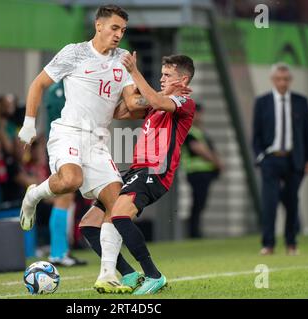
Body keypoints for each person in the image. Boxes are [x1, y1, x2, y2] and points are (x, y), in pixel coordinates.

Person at [17, 4, 140, 290]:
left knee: (118, 206)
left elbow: (133, 104)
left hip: (98, 143)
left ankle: (107, 274)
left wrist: (159, 98)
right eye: (114, 28)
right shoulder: (75, 52)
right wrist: (29, 123)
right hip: (68, 133)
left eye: (123, 30)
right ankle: (34, 195)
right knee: (72, 180)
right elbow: (38, 84)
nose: (119, 34)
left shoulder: (123, 60)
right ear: (99, 25)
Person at [93, 53, 196, 294]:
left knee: (119, 216)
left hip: (155, 171)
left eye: (167, 75)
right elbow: (120, 111)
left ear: (183, 80)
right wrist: (122, 86)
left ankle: (153, 275)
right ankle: (129, 274)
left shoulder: (183, 103)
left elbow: (159, 103)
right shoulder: (155, 101)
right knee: (90, 224)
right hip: (136, 169)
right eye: (161, 74)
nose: (161, 79)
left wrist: (134, 72)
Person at [252, 62, 308, 256]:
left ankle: (291, 243)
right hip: (271, 160)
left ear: (290, 80)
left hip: (294, 159)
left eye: (286, 79)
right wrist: (260, 157)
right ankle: (268, 244)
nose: (282, 82)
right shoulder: (262, 102)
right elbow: (256, 134)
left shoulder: (300, 101)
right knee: (269, 203)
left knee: (292, 202)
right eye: (279, 79)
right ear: (273, 80)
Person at [43, 80, 87, 266]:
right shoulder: (60, 91)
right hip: (64, 146)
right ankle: (57, 253)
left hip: (66, 145)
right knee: (63, 198)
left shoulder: (62, 88)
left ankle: (61, 251)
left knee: (67, 200)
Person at [181, 103, 223, 238]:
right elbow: (198, 148)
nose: (200, 117)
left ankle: (195, 232)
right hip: (196, 171)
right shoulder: (190, 130)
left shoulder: (197, 130)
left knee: (199, 203)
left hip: (201, 171)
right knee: (198, 204)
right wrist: (217, 162)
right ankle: (194, 233)